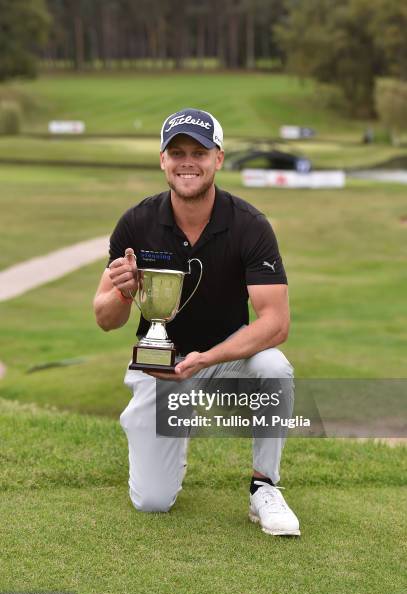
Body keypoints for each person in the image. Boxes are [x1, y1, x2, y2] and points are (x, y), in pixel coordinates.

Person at [93, 108, 300, 536]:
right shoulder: (137, 222)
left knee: (274, 368)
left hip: (225, 361)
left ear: (218, 159)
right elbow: (105, 319)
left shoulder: (250, 225)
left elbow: (276, 324)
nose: (188, 161)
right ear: (163, 161)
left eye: (199, 152)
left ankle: (264, 488)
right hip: (159, 366)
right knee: (152, 501)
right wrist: (124, 291)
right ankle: (165, 430)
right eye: (177, 151)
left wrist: (207, 359)